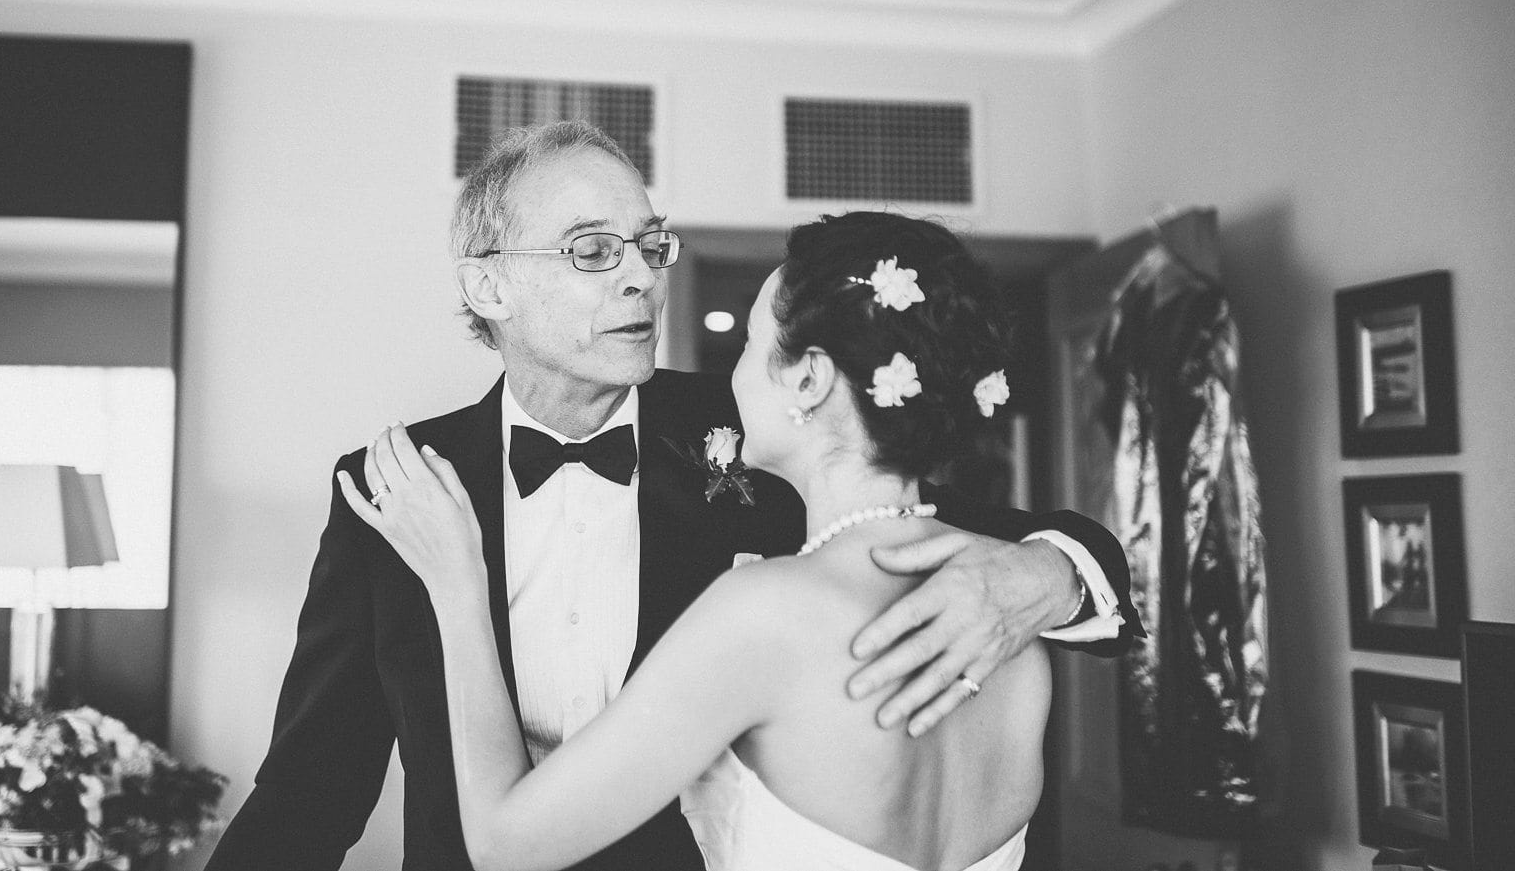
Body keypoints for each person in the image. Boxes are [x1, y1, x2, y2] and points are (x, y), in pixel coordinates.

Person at [207, 122, 1138, 871]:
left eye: (650, 244)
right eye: (592, 249)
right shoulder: (397, 488)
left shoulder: (766, 444)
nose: (640, 275)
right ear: (487, 283)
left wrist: (1047, 576)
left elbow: (1022, 539)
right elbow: (312, 784)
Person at [346, 211, 1058, 870]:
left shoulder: (766, 612)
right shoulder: (1015, 633)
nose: (732, 374)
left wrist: (457, 581)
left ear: (807, 378)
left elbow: (505, 845)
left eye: (749, 345)